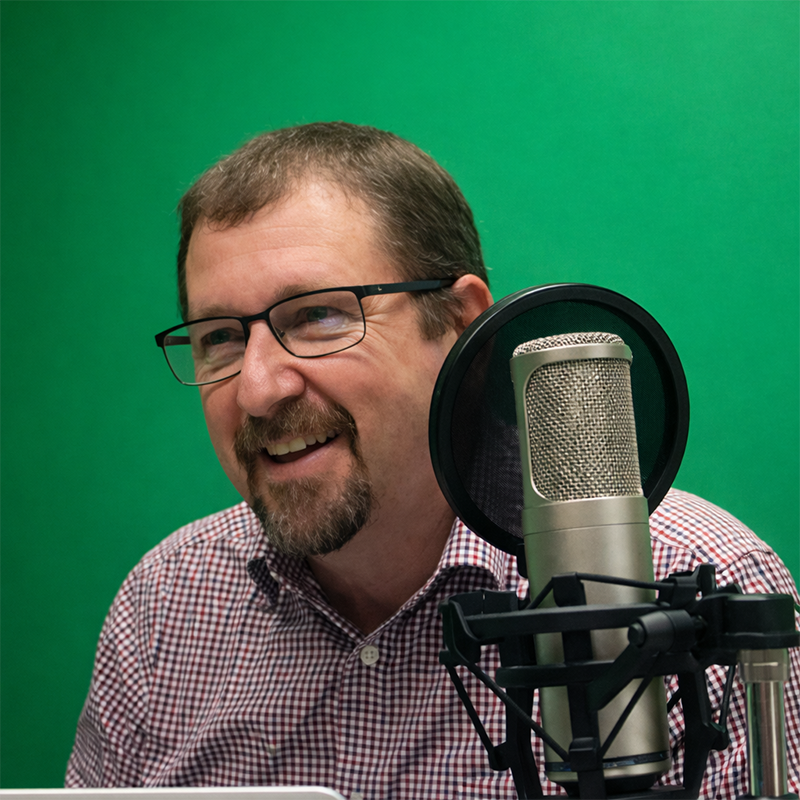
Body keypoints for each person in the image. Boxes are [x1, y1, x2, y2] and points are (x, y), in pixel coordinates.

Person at [66, 122, 800, 799]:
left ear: (460, 325)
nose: (257, 390)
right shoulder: (164, 607)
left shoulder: (698, 586)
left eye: (318, 315)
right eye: (220, 337)